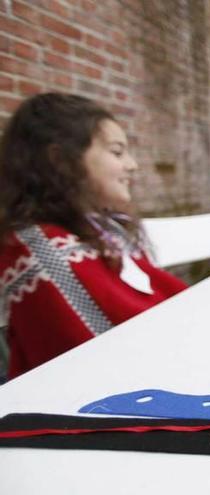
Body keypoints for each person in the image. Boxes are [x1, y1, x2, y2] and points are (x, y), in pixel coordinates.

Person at [0, 93, 188, 378]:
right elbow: (107, 359)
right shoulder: (42, 252)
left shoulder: (100, 229)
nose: (132, 164)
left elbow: (161, 292)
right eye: (117, 152)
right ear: (62, 160)